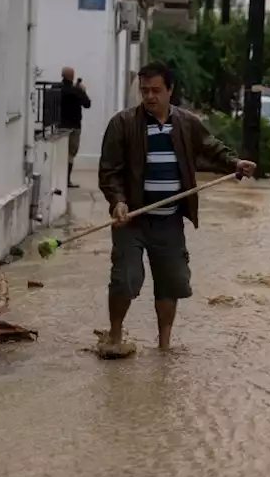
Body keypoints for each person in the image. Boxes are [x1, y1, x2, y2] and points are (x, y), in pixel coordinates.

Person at [97, 62, 256, 356]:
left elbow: (211, 147)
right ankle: (115, 336)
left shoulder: (186, 123)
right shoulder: (122, 124)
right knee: (125, 278)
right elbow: (109, 171)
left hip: (169, 220)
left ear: (170, 90)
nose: (149, 96)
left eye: (156, 90)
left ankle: (164, 347)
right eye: (144, 90)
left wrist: (235, 164)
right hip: (131, 219)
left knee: (171, 282)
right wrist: (117, 201)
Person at [59, 67, 91, 188]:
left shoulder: (56, 88)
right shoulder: (76, 91)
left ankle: (61, 179)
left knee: (60, 153)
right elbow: (87, 104)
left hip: (59, 125)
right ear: (72, 76)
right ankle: (66, 180)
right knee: (70, 154)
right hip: (74, 126)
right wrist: (83, 91)